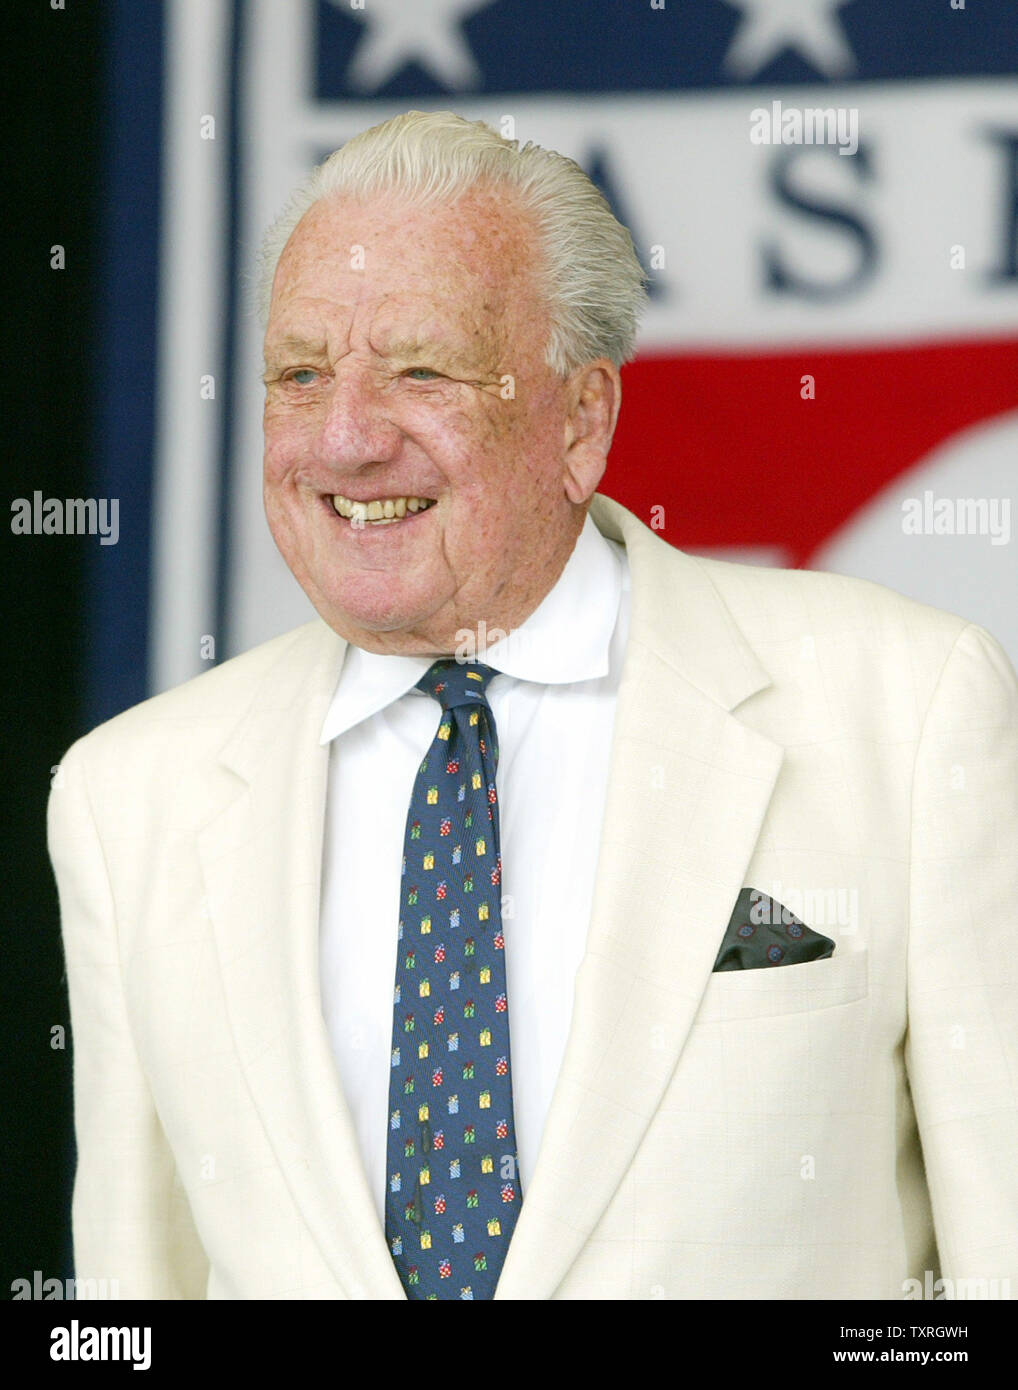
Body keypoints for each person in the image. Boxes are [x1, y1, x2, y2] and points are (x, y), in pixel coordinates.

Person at [49, 110, 1018, 1301]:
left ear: (581, 419)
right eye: (300, 373)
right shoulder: (127, 796)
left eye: (420, 370)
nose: (345, 438)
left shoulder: (908, 708)